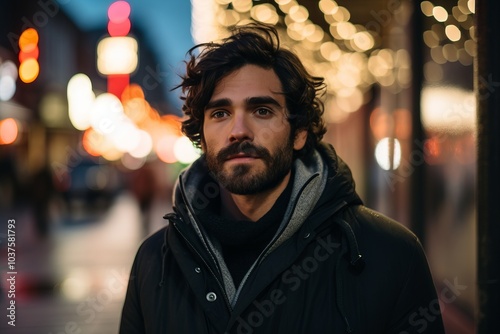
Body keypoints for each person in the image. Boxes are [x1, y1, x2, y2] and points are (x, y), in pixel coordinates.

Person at [119, 23, 445, 334]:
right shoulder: (154, 263)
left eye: (262, 111)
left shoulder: (388, 254)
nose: (238, 131)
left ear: (299, 132)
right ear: (202, 136)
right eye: (220, 113)